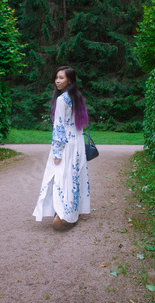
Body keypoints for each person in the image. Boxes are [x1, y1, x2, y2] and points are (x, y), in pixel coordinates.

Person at [32, 66, 91, 230]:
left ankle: (61, 213)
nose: (57, 81)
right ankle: (73, 210)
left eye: (61, 78)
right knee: (74, 177)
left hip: (65, 144)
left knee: (60, 178)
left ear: (69, 80)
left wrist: (56, 151)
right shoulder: (78, 97)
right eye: (56, 77)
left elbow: (58, 127)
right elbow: (79, 125)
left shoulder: (61, 100)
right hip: (77, 143)